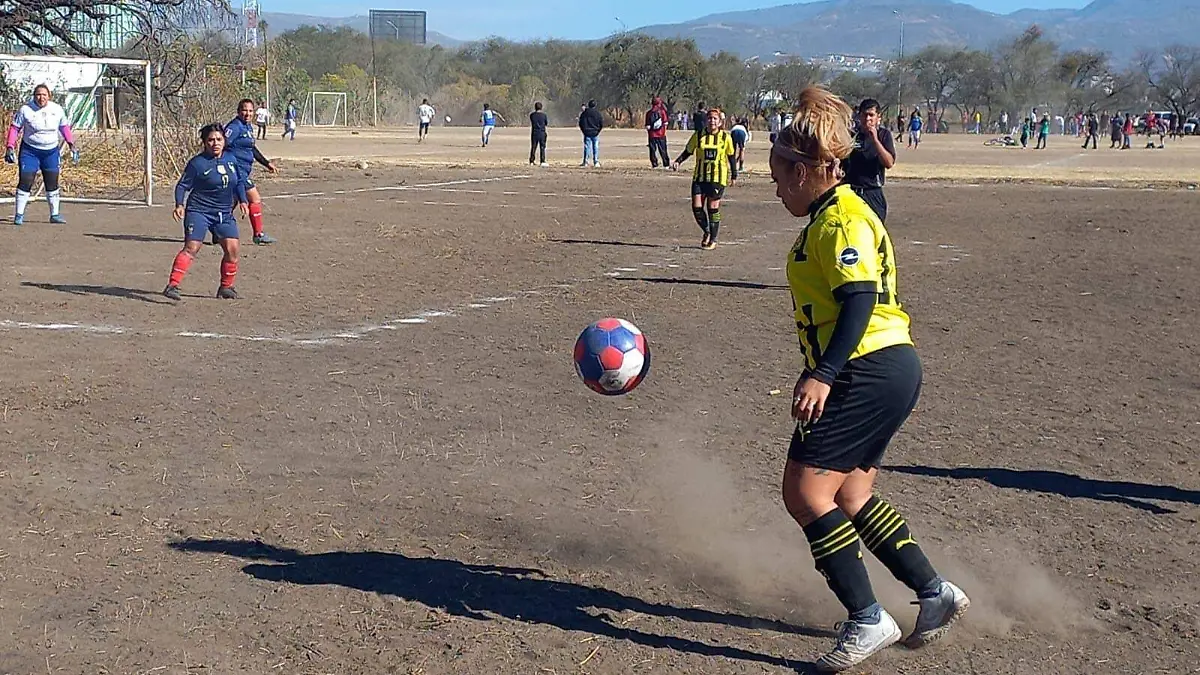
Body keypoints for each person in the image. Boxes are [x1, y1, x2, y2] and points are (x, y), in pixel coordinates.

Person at [769, 86, 969, 671]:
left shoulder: (840, 221)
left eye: (779, 177)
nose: (776, 189)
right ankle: (934, 593)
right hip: (889, 366)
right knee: (851, 495)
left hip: (865, 368)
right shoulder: (841, 212)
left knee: (805, 493)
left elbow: (857, 298)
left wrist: (824, 373)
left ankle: (867, 617)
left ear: (805, 171)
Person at [163, 123, 250, 301]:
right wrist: (179, 204)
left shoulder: (231, 159)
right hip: (199, 211)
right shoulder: (197, 163)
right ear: (204, 142)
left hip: (224, 213)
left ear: (224, 141)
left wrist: (243, 200)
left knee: (232, 249)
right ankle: (172, 285)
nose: (215, 143)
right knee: (192, 247)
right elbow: (182, 186)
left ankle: (226, 287)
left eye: (219, 139)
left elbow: (239, 182)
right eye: (211, 140)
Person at [5, 84, 79, 226]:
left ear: (49, 96)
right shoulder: (25, 110)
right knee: (26, 180)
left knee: (52, 182)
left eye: (44, 95)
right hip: (30, 152)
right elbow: (15, 128)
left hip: (51, 152)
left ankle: (54, 214)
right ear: (34, 96)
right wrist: (10, 146)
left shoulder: (57, 109)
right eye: (38, 95)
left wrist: (71, 144)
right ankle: (19, 215)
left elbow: (64, 127)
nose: (41, 97)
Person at [671, 108, 734, 250]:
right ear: (706, 120)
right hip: (699, 177)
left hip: (717, 177)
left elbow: (731, 156)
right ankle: (706, 231)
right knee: (697, 207)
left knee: (712, 208)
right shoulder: (698, 135)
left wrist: (734, 175)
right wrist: (678, 161)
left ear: (720, 122)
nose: (712, 121)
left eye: (715, 119)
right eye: (710, 118)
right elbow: (688, 151)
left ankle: (713, 239)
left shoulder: (726, 138)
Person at [226, 98, 278, 245]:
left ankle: (218, 230)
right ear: (238, 111)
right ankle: (258, 234)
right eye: (244, 110)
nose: (247, 113)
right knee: (254, 199)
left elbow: (252, 148)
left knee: (231, 203)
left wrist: (266, 163)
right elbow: (223, 144)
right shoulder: (235, 127)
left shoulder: (247, 127)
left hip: (244, 171)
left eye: (250, 111)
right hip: (237, 171)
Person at [843, 98, 896, 224]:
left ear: (878, 117)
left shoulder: (883, 135)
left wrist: (875, 140)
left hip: (872, 192)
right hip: (851, 192)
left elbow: (889, 163)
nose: (868, 119)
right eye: (864, 115)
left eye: (871, 115)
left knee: (874, 230)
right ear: (859, 116)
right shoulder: (851, 135)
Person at [645, 96, 669, 168]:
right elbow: (665, 123)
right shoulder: (662, 112)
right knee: (663, 150)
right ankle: (666, 164)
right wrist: (664, 132)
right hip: (661, 134)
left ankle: (654, 164)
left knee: (652, 150)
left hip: (652, 135)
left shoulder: (649, 113)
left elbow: (647, 126)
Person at [578, 100, 603, 167]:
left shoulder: (584, 113)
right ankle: (596, 162)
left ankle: (585, 162)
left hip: (587, 132)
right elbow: (601, 123)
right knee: (595, 147)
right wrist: (598, 131)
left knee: (587, 147)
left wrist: (584, 131)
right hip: (595, 133)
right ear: (595, 105)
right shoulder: (597, 113)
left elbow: (580, 123)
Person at [529, 101, 548, 167]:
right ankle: (542, 161)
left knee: (533, 147)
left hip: (534, 133)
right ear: (541, 108)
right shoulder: (544, 115)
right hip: (542, 132)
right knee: (542, 147)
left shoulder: (532, 115)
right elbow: (546, 123)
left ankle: (531, 161)